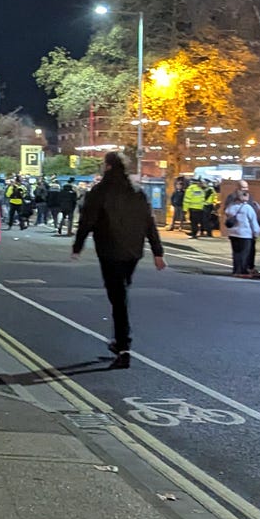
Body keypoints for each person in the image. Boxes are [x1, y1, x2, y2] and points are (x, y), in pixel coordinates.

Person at [72, 150, 166, 366]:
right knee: (121, 293)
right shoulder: (137, 191)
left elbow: (87, 220)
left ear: (107, 166)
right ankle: (119, 341)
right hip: (132, 251)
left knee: (118, 297)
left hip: (109, 250)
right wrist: (158, 252)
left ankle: (124, 346)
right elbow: (149, 223)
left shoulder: (100, 191)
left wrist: (78, 246)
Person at [224, 185, 260, 276]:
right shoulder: (248, 208)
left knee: (236, 253)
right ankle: (243, 271)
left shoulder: (231, 207)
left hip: (233, 233)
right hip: (245, 234)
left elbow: (227, 212)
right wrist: (256, 233)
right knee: (244, 254)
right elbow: (253, 222)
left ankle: (236, 270)